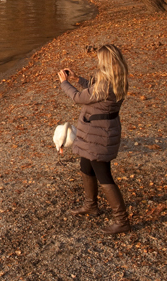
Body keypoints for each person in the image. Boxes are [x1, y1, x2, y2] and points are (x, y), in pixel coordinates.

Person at [58, 44, 131, 234]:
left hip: (99, 134)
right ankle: (91, 205)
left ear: (105, 62)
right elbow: (93, 88)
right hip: (97, 131)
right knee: (86, 166)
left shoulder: (106, 85)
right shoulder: (116, 78)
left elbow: (78, 97)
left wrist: (65, 82)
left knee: (104, 175)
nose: (97, 62)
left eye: (99, 59)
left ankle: (121, 221)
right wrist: (77, 78)